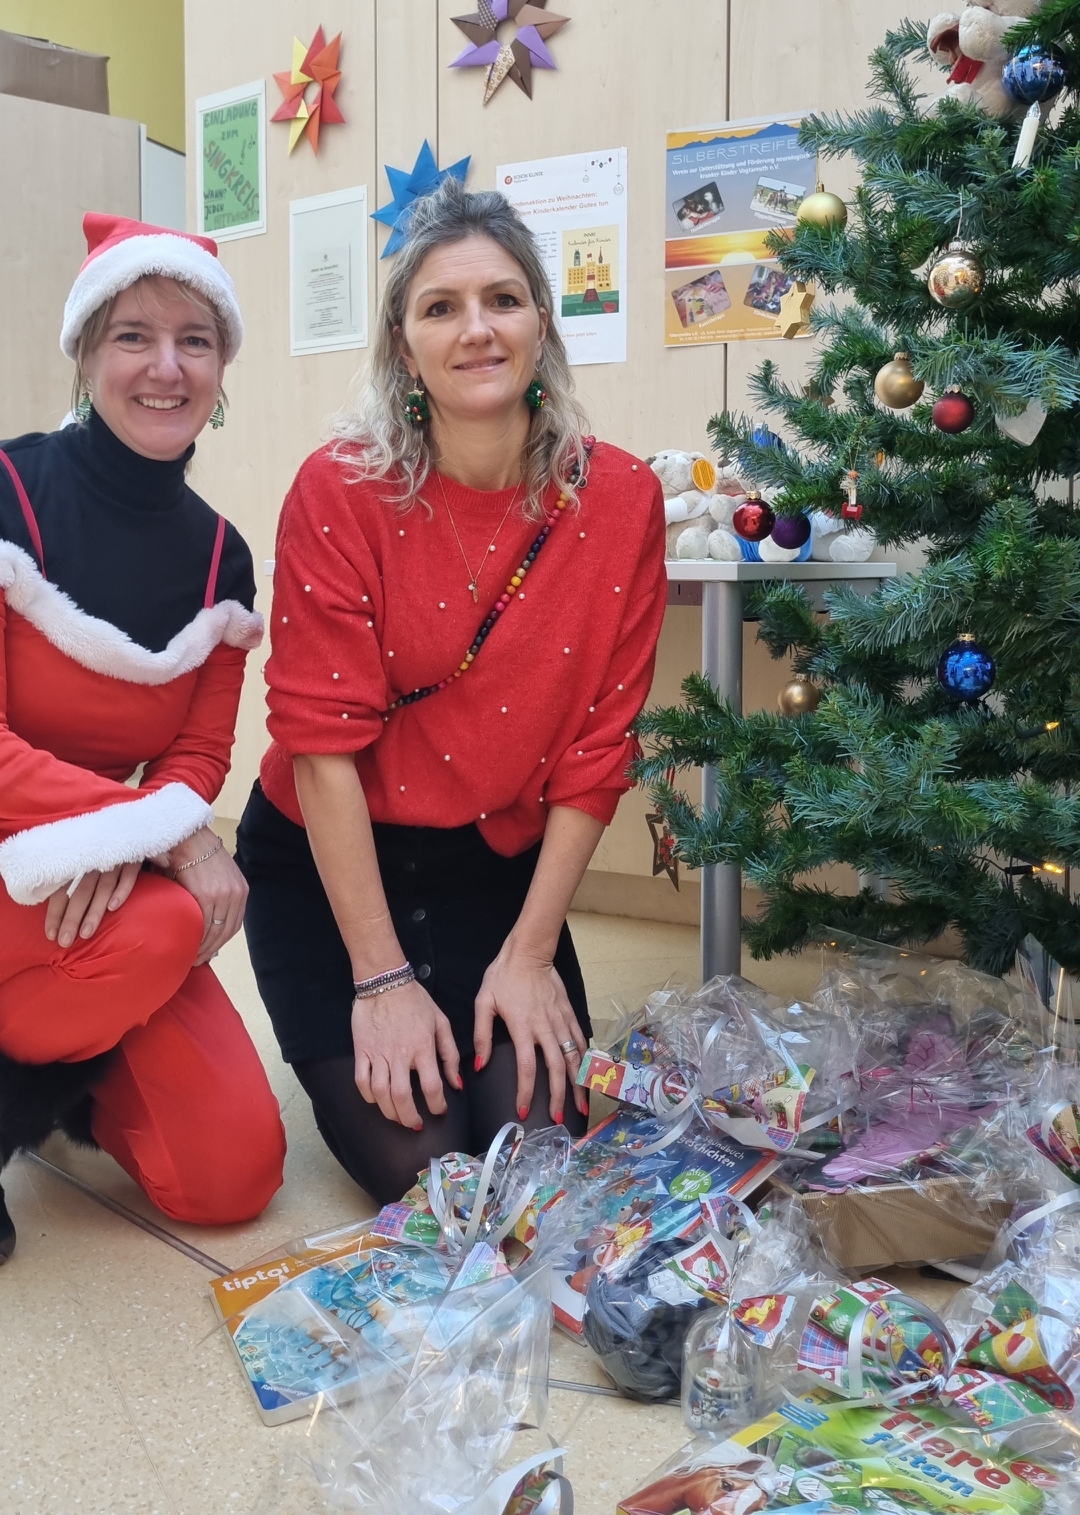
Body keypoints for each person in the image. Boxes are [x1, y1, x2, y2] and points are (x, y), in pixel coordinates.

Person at [237, 180, 666, 1205]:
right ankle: (357, 1008)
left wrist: (531, 955)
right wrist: (382, 980)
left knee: (535, 1153)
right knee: (423, 1167)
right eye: (441, 307)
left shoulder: (621, 500)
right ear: (404, 344)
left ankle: (495, 977)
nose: (477, 329)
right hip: (329, 862)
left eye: (503, 299)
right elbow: (320, 746)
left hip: (491, 863)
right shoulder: (340, 491)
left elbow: (598, 754)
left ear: (541, 324)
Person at [0, 214, 286, 1263]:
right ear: (85, 354)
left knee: (230, 1175)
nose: (166, 367)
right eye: (133, 335)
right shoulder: (9, 490)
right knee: (165, 925)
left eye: (194, 340)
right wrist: (162, 835)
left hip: (104, 882)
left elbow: (199, 755)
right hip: (29, 862)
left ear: (221, 368)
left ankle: (76, 1052)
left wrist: (129, 838)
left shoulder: (221, 559)